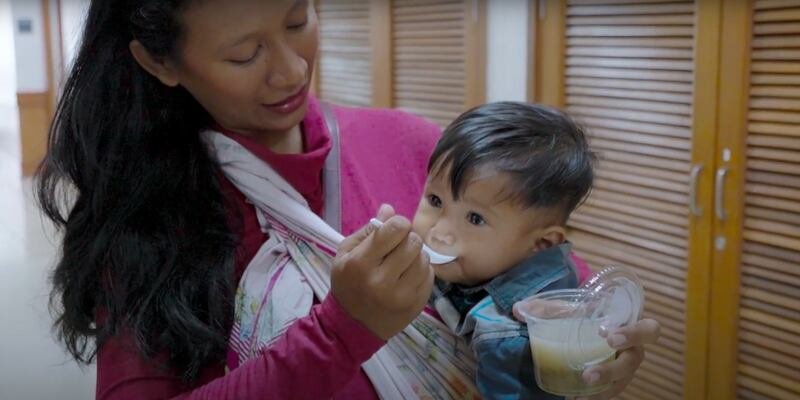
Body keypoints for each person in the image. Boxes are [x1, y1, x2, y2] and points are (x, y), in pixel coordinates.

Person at [36, 1, 660, 399]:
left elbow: (545, 278)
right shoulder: (147, 221)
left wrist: (595, 344)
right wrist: (344, 329)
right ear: (160, 61)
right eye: (244, 53)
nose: (289, 71)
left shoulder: (418, 148)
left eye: (297, 20)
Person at [412, 101, 594, 398]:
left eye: (475, 218)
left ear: (541, 244)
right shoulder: (480, 262)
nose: (440, 232)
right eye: (435, 200)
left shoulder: (510, 339)